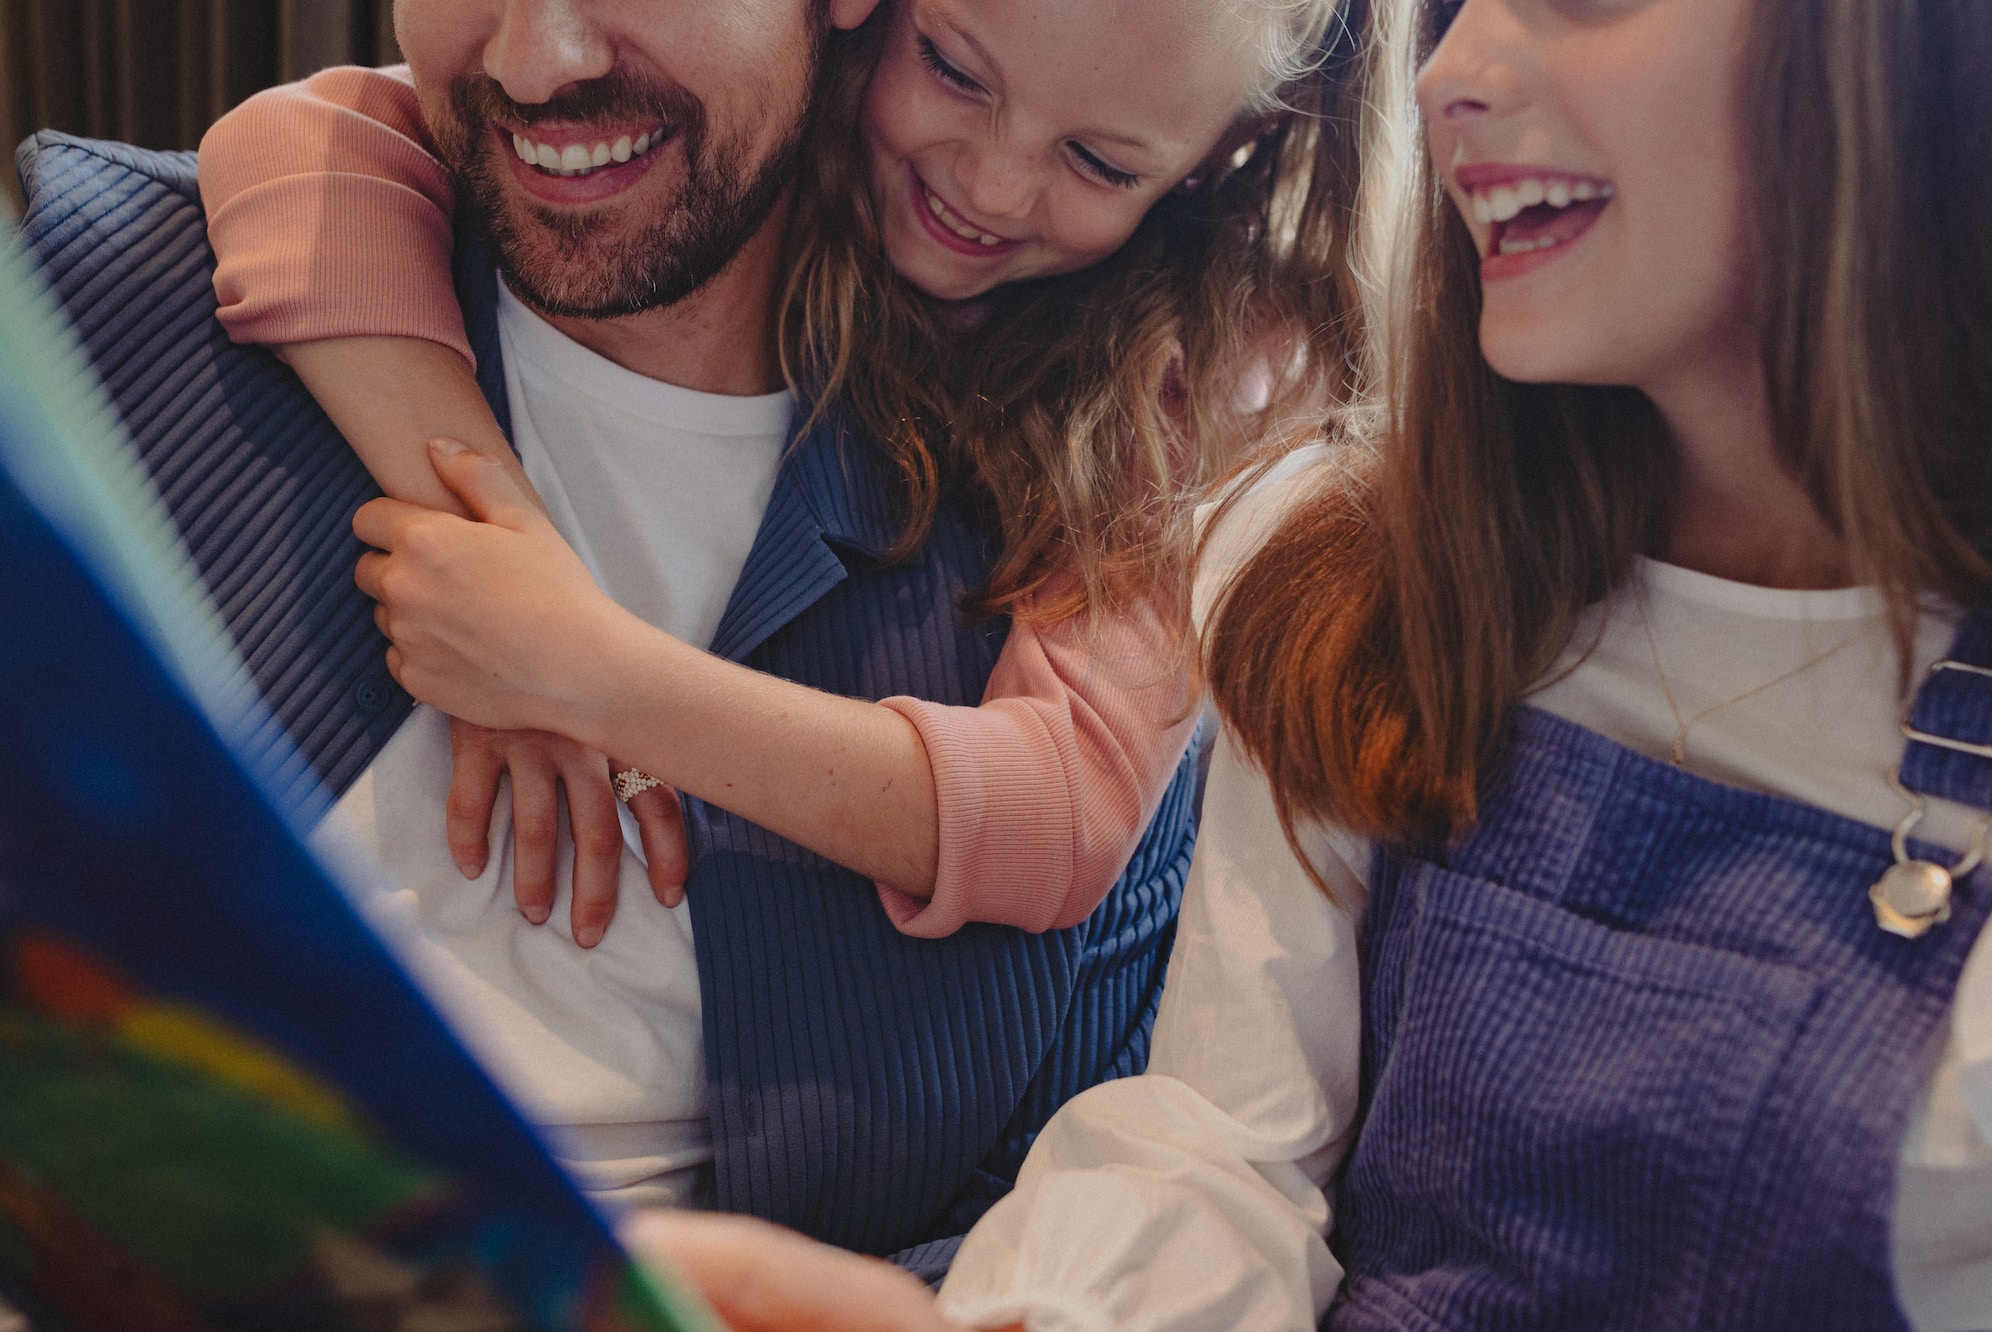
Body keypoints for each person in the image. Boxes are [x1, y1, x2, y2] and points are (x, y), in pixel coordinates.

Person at [593, 0, 1992, 1325]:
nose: (1448, 75)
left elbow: (1054, 810)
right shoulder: (1341, 572)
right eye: (1450, 11)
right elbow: (1223, 1156)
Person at [161, 0, 1371, 1268]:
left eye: (1100, 163)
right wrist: (497, 535)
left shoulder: (1199, 366)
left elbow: (1065, 808)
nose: (990, 182)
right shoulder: (508, 166)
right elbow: (291, 143)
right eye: (952, 72)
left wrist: (590, 673)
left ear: (1221, 159)